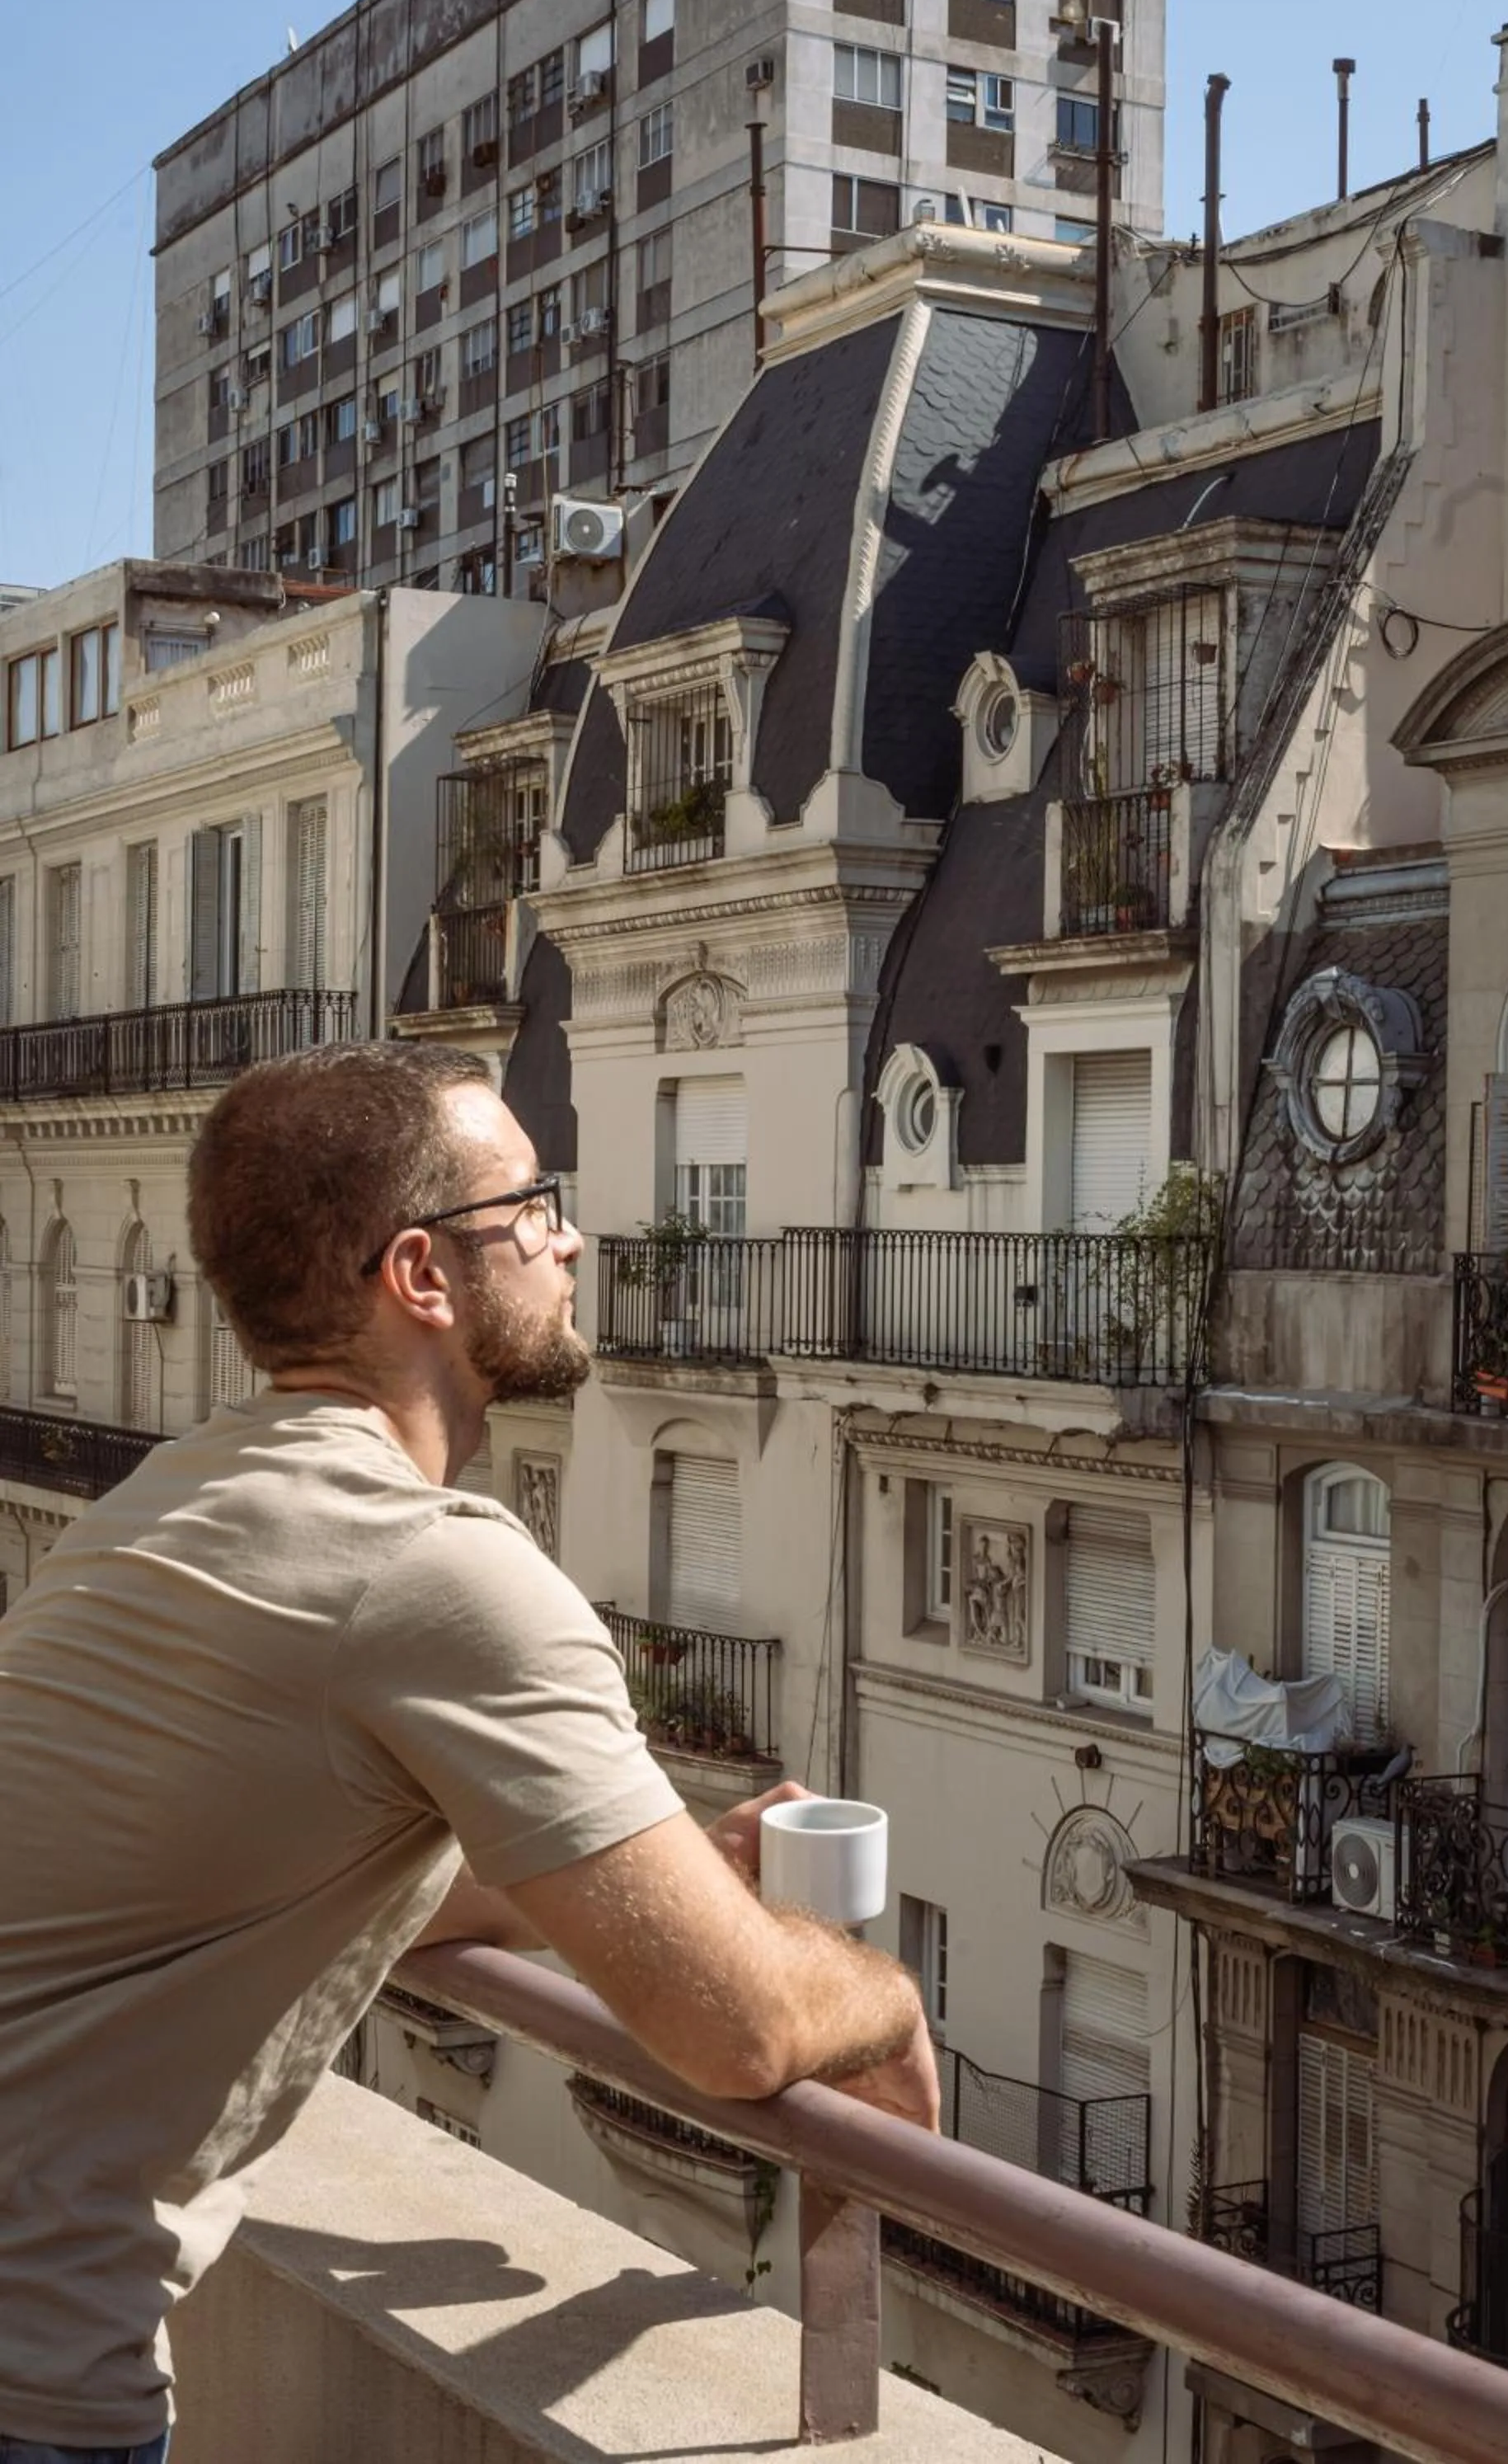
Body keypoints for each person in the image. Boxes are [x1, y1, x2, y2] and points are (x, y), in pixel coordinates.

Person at [0, 1042, 937, 2462]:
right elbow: (736, 2029)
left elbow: (254, 1877)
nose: (569, 1237)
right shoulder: (434, 1572)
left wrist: (664, 1873)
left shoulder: (176, 1498)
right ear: (423, 1276)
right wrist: (883, 2007)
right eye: (533, 1204)